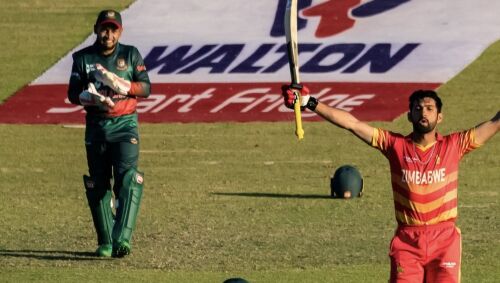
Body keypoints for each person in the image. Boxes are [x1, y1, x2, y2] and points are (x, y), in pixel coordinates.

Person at [281, 85, 499, 282]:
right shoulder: (395, 145)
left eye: (430, 108)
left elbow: (494, 123)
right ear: (409, 115)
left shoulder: (454, 145)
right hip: (407, 242)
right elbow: (352, 124)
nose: (423, 112)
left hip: (444, 241)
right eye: (418, 108)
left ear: (439, 117)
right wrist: (309, 102)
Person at [67, 9, 151, 258]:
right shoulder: (82, 58)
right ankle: (105, 241)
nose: (108, 34)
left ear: (120, 32)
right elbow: (72, 94)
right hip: (96, 128)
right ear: (96, 29)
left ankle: (122, 238)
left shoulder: (130, 54)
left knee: (127, 180)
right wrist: (89, 98)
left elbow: (146, 87)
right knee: (98, 184)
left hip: (125, 126)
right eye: (104, 29)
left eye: (113, 29)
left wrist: (124, 85)